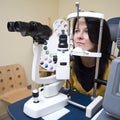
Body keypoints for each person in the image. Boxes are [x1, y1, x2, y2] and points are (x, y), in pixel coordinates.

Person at [64, 16, 115, 96]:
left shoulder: (113, 68)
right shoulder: (71, 65)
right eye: (76, 31)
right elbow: (63, 92)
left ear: (99, 37)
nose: (79, 36)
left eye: (87, 31)